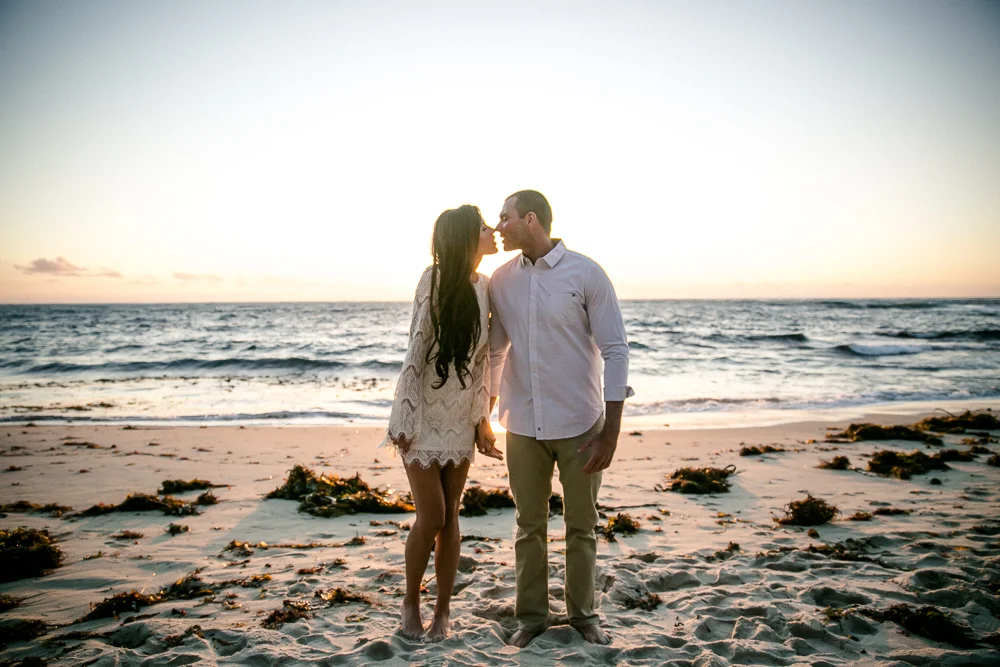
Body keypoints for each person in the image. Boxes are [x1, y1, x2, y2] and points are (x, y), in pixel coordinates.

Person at [489, 190, 632, 647]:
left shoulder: (586, 273)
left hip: (581, 423)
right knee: (528, 526)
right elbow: (495, 350)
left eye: (505, 217)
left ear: (530, 219)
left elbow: (615, 349)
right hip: (522, 423)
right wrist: (483, 413)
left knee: (581, 526)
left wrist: (611, 431)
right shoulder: (500, 279)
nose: (498, 226)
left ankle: (583, 615)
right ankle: (531, 618)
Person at [381, 204, 504, 641]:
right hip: (422, 417)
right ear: (466, 238)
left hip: (460, 417)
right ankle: (410, 601)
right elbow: (416, 350)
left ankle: (444, 611)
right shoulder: (430, 280)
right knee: (429, 516)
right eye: (484, 228)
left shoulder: (487, 287)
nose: (492, 233)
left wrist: (482, 420)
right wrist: (404, 415)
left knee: (451, 517)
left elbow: (486, 360)